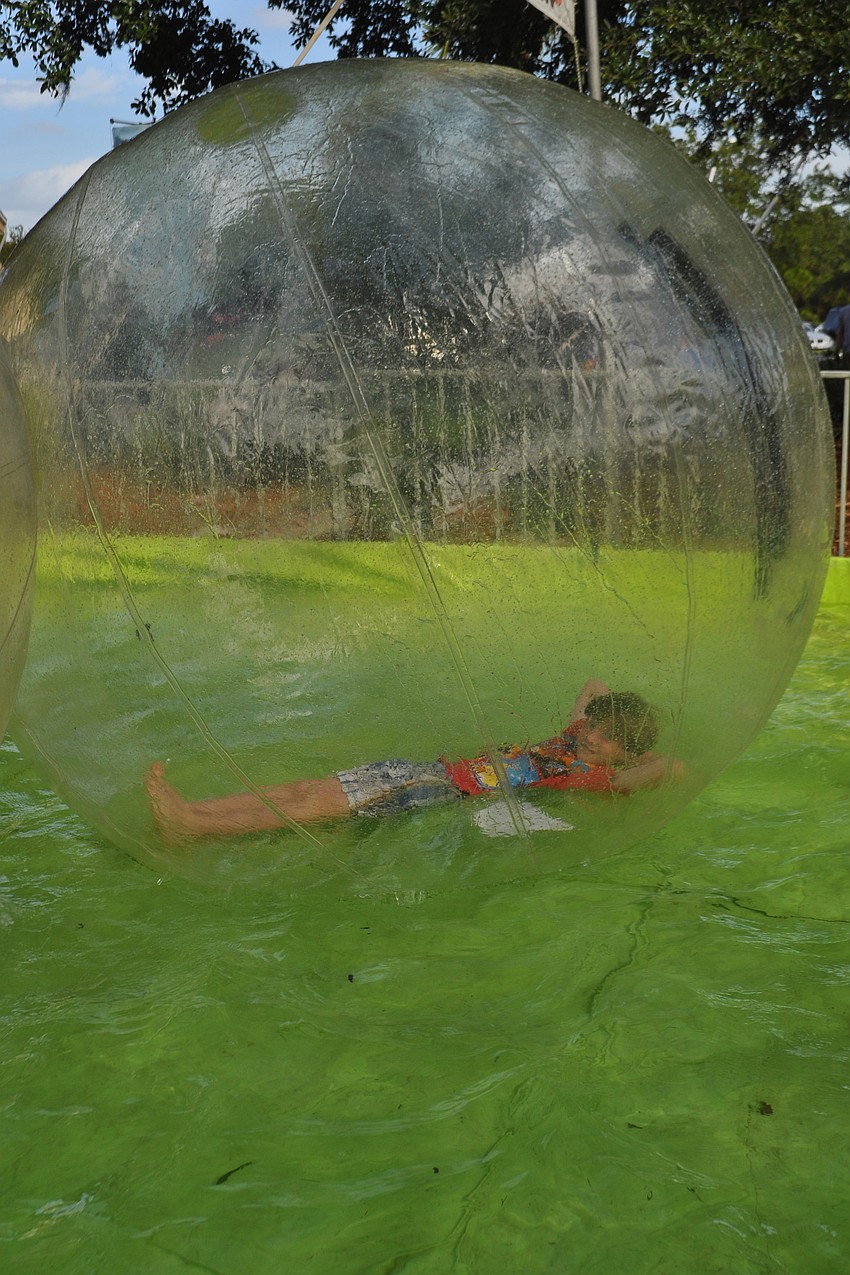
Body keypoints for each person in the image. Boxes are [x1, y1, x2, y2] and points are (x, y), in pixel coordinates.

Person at [145, 679, 682, 843]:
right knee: (307, 787)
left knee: (317, 803)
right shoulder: (571, 741)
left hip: (442, 792)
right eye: (595, 727)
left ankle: (193, 828)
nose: (593, 736)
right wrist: (619, 723)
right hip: (424, 769)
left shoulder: (592, 777)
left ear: (624, 754)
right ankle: (197, 810)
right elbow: (593, 689)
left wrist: (639, 755)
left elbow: (671, 768)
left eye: (611, 739)